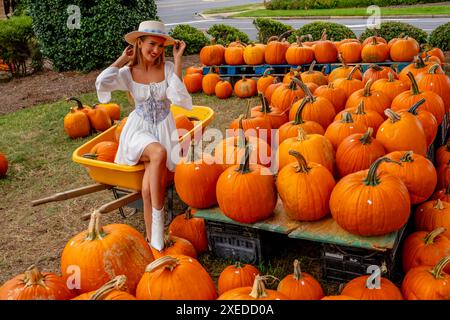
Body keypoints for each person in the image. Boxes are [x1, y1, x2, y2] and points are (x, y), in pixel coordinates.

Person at [95, 20, 192, 251]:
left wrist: (178, 60)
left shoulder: (167, 68)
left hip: (163, 128)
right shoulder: (128, 73)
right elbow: (102, 82)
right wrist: (122, 59)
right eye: (151, 44)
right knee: (157, 152)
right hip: (138, 131)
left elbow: (177, 95)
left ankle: (153, 241)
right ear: (138, 43)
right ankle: (160, 227)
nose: (156, 50)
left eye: (160, 46)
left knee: (149, 189)